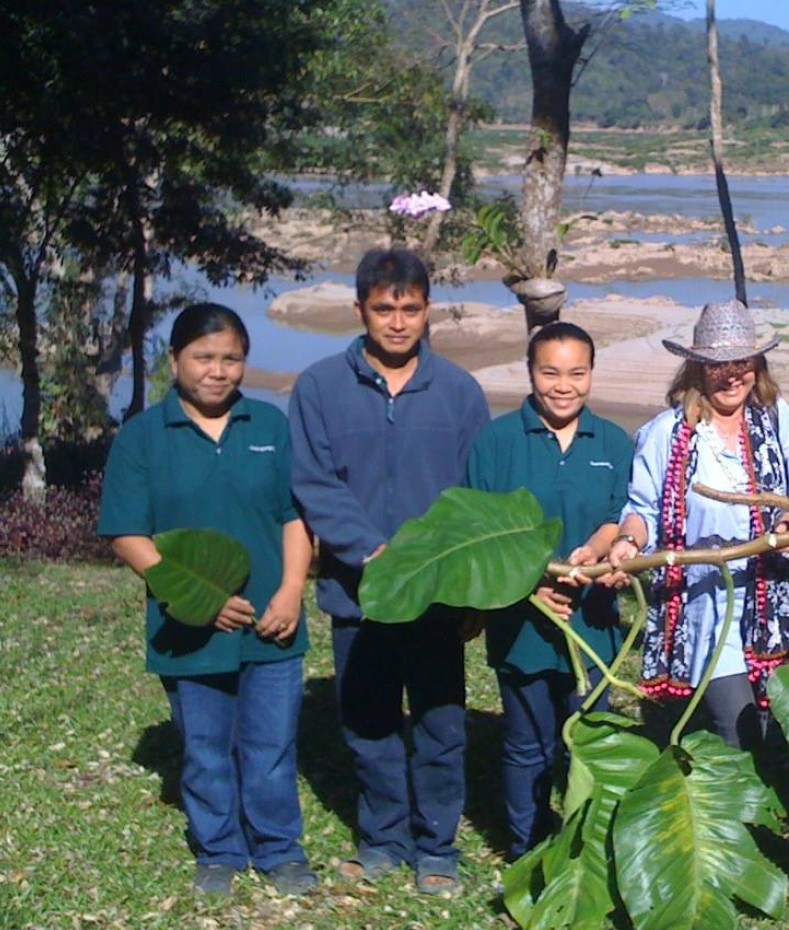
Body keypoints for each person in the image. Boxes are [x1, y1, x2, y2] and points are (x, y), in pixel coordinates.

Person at [288, 248, 490, 895]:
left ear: (427, 310)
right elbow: (313, 484)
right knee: (368, 721)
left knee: (439, 722)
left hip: (435, 598)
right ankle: (381, 841)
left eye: (409, 309)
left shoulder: (459, 391)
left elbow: (475, 496)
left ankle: (436, 849)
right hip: (358, 594)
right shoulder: (319, 387)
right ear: (360, 310)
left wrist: (468, 588)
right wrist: (373, 553)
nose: (397, 322)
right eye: (383, 309)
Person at [98, 303, 317, 899]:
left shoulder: (270, 426)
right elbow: (126, 532)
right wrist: (197, 597)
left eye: (232, 359)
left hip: (273, 624)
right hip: (188, 627)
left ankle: (279, 849)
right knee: (205, 749)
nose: (218, 371)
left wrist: (292, 590)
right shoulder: (144, 436)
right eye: (204, 357)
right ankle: (219, 851)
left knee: (272, 747)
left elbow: (294, 515)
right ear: (174, 361)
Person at [607, 299, 789, 750]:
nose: (731, 375)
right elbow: (641, 509)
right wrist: (628, 541)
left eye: (741, 363)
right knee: (735, 726)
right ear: (697, 369)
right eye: (718, 365)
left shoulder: (777, 420)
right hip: (700, 606)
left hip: (764, 606)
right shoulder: (665, 434)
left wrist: (788, 516)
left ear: (756, 366)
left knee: (762, 728)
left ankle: (745, 809)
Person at [466, 321, 632, 861]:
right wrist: (528, 586)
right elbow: (476, 536)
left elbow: (623, 515)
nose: (564, 385)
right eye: (550, 372)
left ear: (591, 374)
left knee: (587, 748)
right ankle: (528, 853)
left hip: (593, 627)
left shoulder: (611, 441)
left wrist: (605, 548)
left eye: (577, 373)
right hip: (522, 627)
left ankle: (587, 852)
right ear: (530, 371)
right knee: (526, 747)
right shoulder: (495, 442)